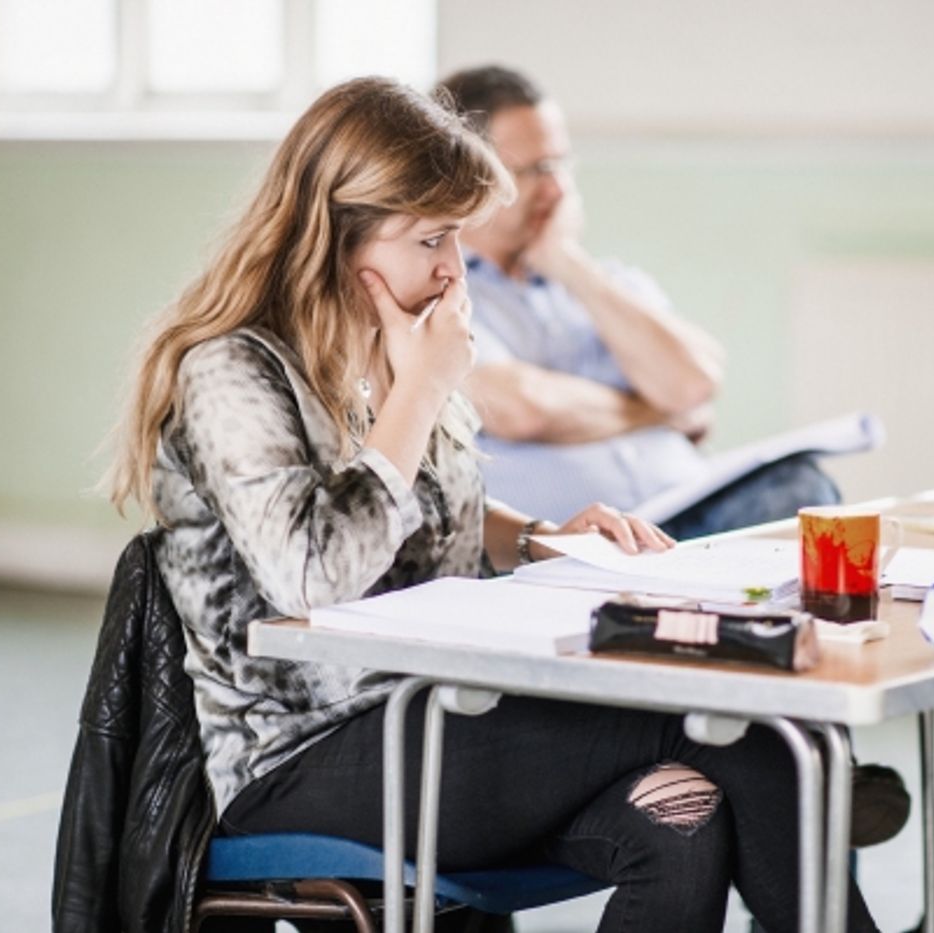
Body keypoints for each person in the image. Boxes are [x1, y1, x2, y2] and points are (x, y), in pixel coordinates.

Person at [105, 77, 883, 933]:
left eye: (457, 239)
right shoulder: (231, 371)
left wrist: (543, 538)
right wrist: (420, 390)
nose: (451, 267)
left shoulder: (382, 342)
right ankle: (825, 818)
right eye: (432, 239)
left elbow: (439, 510)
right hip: (302, 752)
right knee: (752, 734)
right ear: (335, 232)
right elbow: (312, 577)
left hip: (433, 707)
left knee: (682, 819)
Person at [436, 65, 842, 540]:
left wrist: (568, 263)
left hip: (688, 509)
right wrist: (655, 412)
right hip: (577, 536)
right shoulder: (445, 287)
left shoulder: (603, 280)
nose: (559, 188)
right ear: (469, 175)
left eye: (562, 164)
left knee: (800, 484)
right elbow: (521, 408)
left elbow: (693, 384)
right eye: (536, 170)